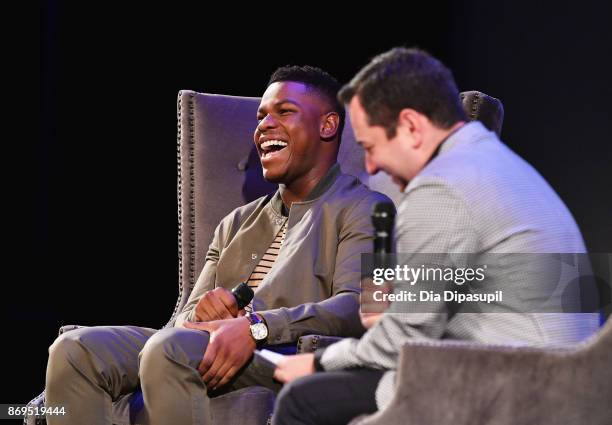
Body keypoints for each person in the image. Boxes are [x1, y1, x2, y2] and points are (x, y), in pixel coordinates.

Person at [44, 65, 391, 425]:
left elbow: (360, 309)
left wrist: (257, 327)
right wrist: (200, 314)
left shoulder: (367, 209)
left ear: (327, 125)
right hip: (201, 346)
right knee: (75, 350)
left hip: (284, 352)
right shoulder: (236, 223)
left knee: (170, 350)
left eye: (284, 112)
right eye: (261, 117)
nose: (264, 126)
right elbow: (184, 318)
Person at [272, 47, 600, 425]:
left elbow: (403, 340)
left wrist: (318, 361)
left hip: (518, 387)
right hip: (564, 378)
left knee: (303, 398)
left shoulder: (440, 187)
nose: (371, 166)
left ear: (411, 126)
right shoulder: (492, 162)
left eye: (370, 147)